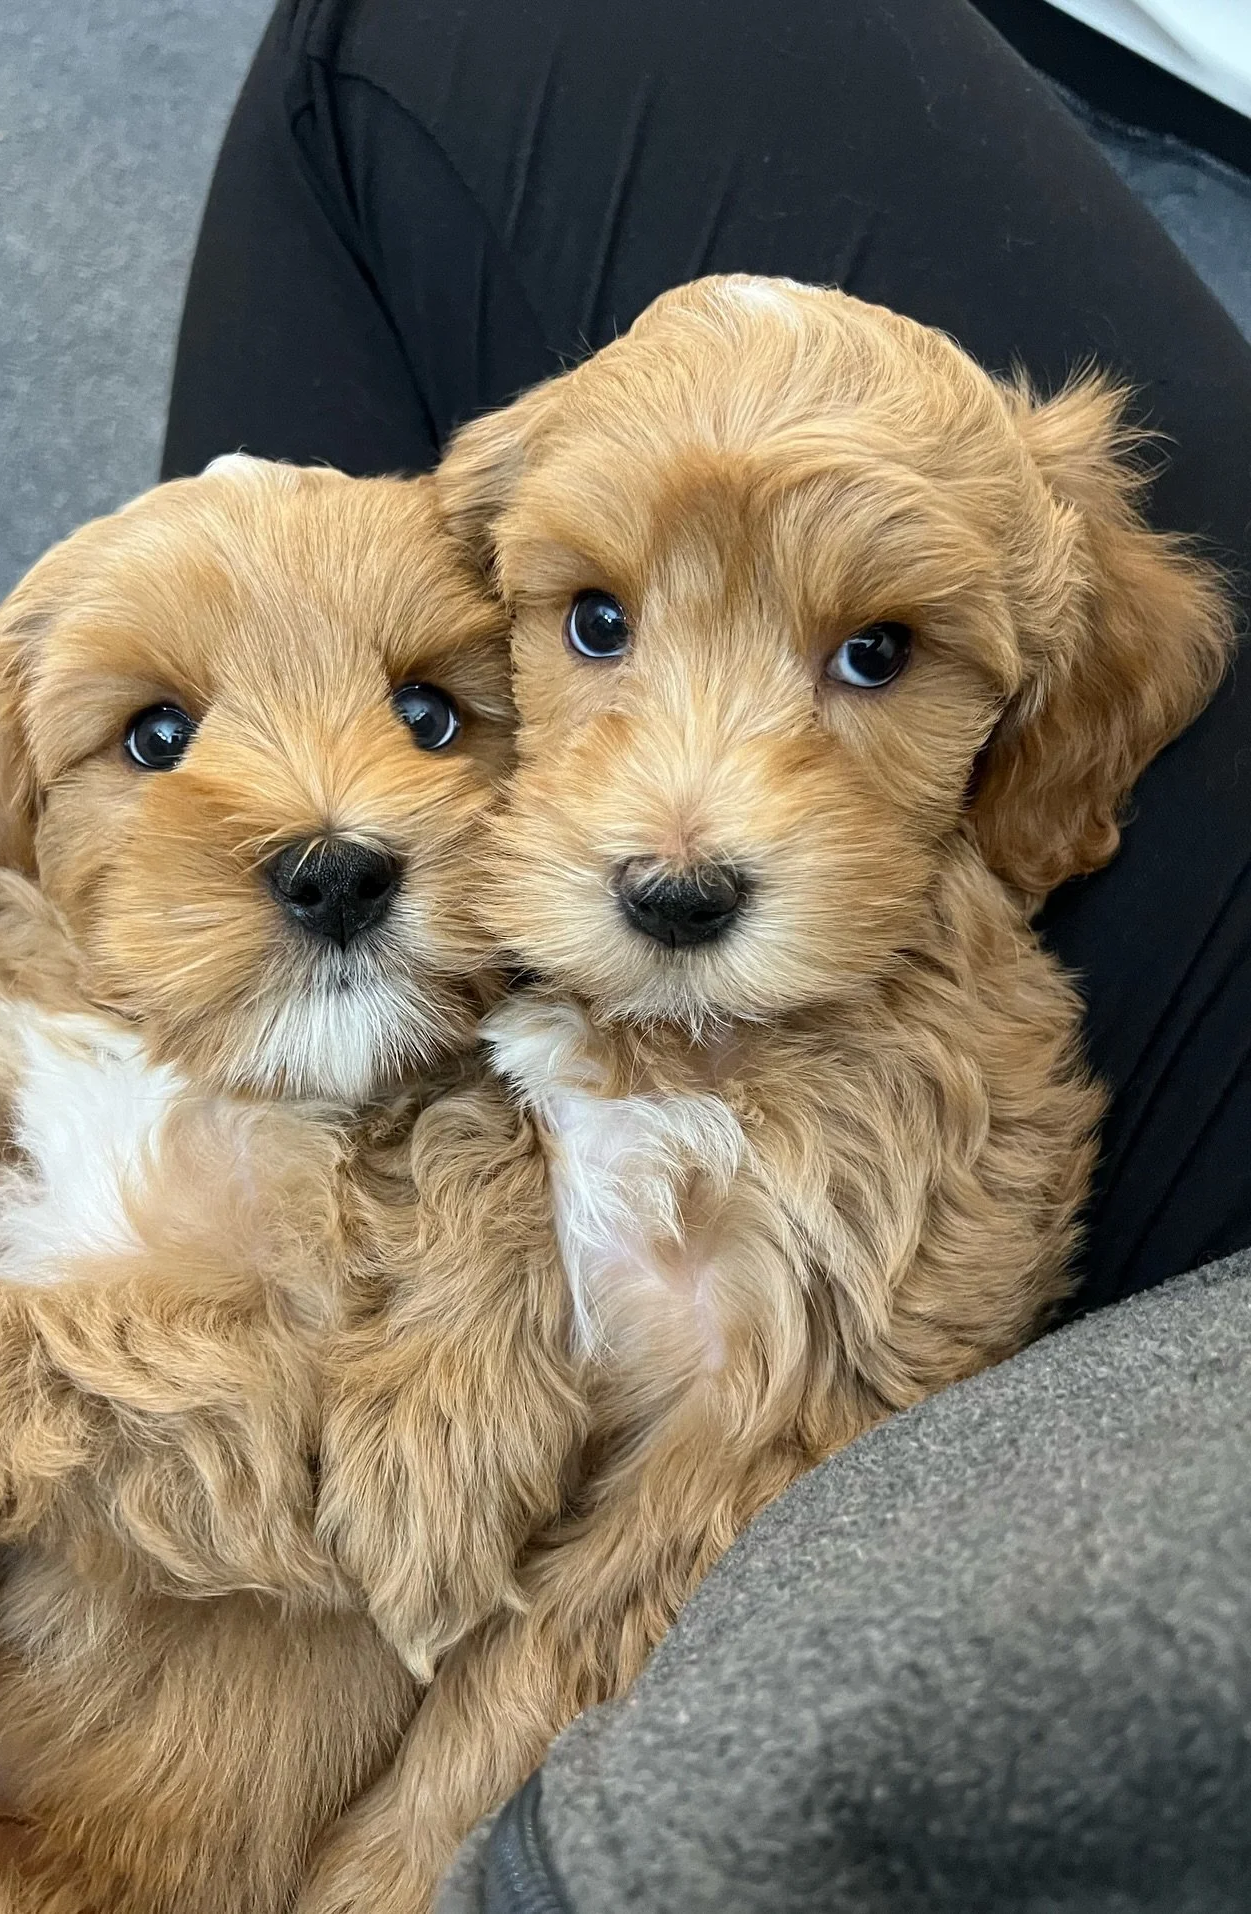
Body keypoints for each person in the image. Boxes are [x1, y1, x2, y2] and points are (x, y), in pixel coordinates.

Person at [162, 3, 1251, 1904]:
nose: (687, 836)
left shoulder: (927, 1078)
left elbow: (721, 1532)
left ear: (1048, 701)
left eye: (873, 656)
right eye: (595, 621)